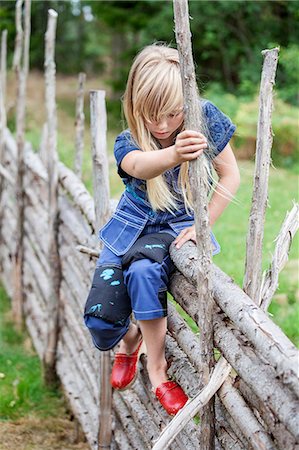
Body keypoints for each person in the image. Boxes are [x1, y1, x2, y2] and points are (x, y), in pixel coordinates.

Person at [84, 44, 240, 416]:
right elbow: (138, 166)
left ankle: (157, 369)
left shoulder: (204, 119)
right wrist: (173, 154)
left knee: (143, 273)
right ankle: (128, 338)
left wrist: (205, 227)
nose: (164, 126)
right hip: (131, 226)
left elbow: (231, 175)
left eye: (173, 113)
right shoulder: (130, 139)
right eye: (153, 115)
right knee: (100, 322)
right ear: (136, 106)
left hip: (174, 226)